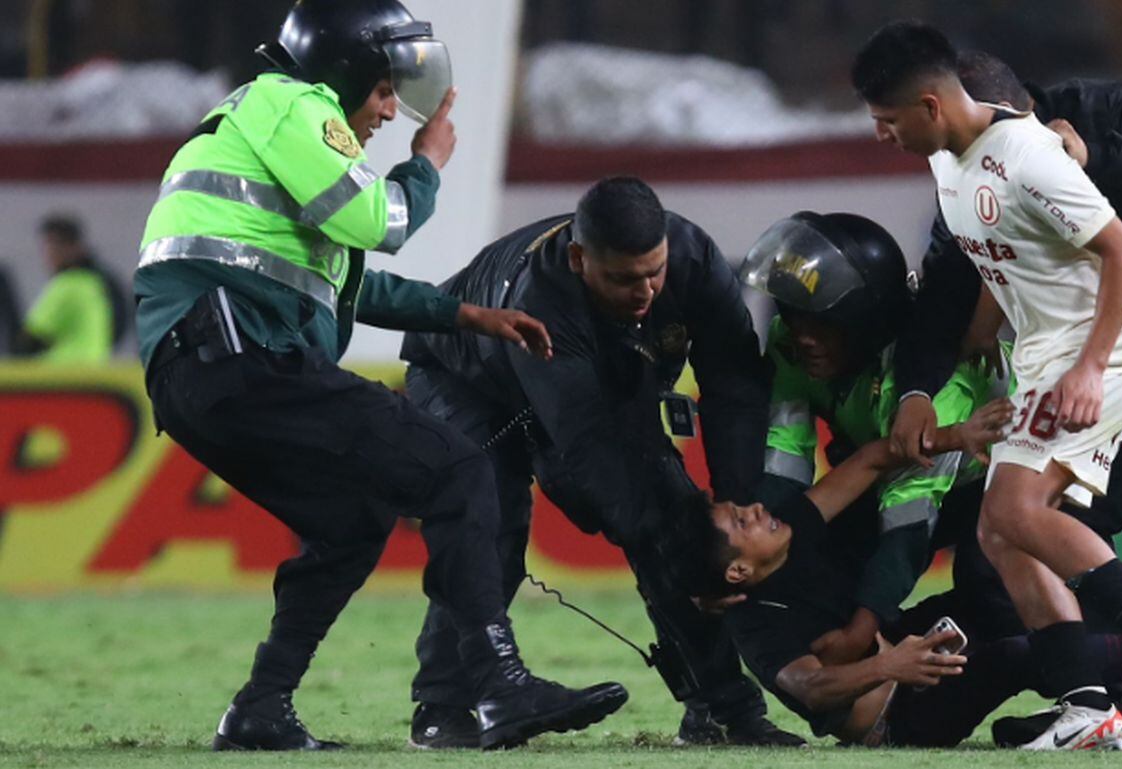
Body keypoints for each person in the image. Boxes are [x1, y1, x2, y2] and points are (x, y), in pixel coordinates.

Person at [134, 0, 625, 752]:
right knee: (461, 470)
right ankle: (500, 686)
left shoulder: (264, 130)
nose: (390, 112)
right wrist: (427, 164)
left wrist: (469, 316)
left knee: (351, 521)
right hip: (239, 354)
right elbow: (380, 222)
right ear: (342, 73)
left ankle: (261, 706)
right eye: (383, 91)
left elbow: (346, 286)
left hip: (206, 370)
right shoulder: (289, 101)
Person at [852, 20, 1122, 749]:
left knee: (1014, 510)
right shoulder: (954, 157)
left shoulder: (1025, 156)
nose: (881, 135)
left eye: (887, 121)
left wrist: (1091, 367)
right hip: (1043, 355)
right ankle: (1087, 700)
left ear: (929, 105)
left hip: (1099, 351)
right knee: (1000, 534)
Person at [400, 176, 803, 748]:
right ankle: (444, 709)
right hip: (465, 380)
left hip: (594, 388)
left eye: (654, 273)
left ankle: (722, 711)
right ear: (578, 258)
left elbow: (736, 382)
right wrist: (692, 563)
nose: (644, 292)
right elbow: (591, 456)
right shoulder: (542, 300)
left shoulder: (693, 258)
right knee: (491, 522)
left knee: (688, 522)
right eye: (622, 278)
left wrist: (727, 524)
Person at [650, 397, 1122, 748]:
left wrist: (955, 436)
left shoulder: (789, 529)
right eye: (739, 521)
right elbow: (812, 689)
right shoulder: (752, 623)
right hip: (903, 719)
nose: (755, 508)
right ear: (737, 571)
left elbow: (873, 459)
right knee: (1014, 655)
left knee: (997, 597)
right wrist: (888, 666)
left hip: (901, 648)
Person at [891, 49, 1122, 545]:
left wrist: (1089, 161)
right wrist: (915, 391)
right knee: (1044, 534)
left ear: (1017, 111)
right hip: (1097, 378)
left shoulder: (1099, 110)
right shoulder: (964, 178)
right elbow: (941, 292)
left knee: (1025, 524)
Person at [739, 210, 1009, 661]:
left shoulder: (932, 387)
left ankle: (1107, 659)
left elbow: (909, 520)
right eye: (795, 316)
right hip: (894, 478)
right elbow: (785, 460)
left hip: (997, 483)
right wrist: (749, 559)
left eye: (823, 321)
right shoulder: (790, 340)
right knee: (823, 569)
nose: (803, 336)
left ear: (870, 321)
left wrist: (861, 629)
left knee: (991, 589)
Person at [13, 214, 128, 362]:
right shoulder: (96, 285)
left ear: (72, 248)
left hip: (61, 376)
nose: (48, 255)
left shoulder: (69, 285)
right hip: (95, 375)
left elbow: (30, 340)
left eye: (52, 247)